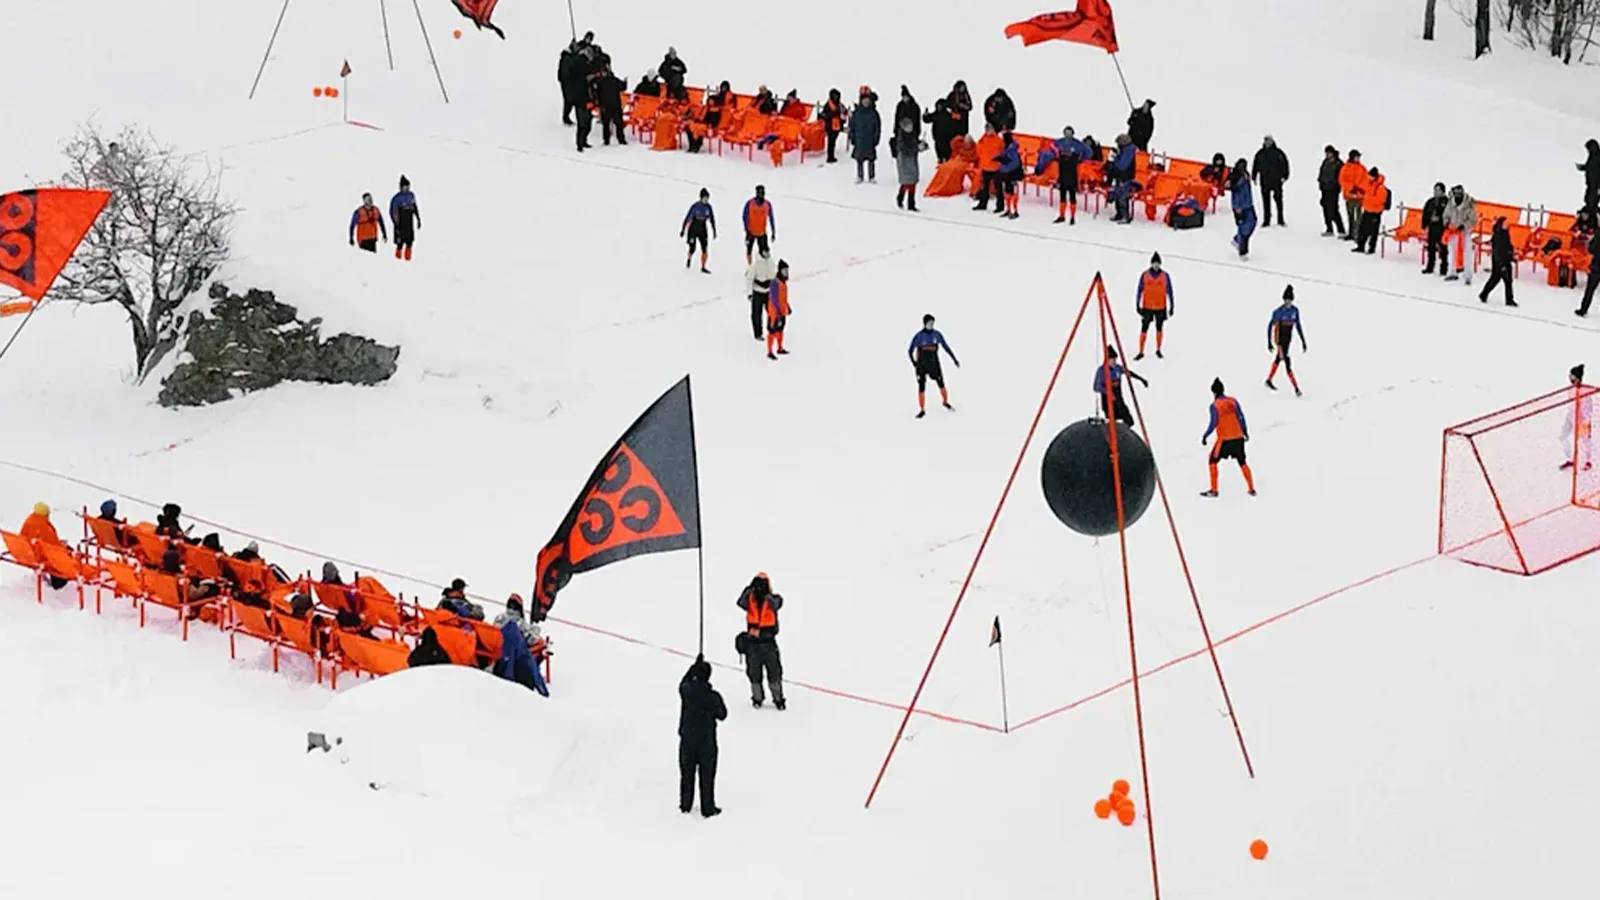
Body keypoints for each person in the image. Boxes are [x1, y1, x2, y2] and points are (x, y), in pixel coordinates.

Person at [678, 654, 726, 817]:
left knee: (687, 774)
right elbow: (722, 714)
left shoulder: (687, 691)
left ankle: (685, 805)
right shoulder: (712, 696)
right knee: (707, 776)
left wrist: (693, 667)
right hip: (706, 742)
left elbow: (683, 682)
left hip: (687, 739)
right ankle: (708, 807)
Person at [736, 573, 785, 710]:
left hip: (769, 643)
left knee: (774, 673)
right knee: (754, 673)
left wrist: (766, 594)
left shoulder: (773, 600)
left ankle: (778, 699)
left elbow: (777, 603)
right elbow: (740, 602)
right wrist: (749, 589)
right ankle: (757, 698)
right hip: (752, 644)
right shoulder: (749, 598)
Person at [1201, 378, 1256, 498]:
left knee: (1212, 460)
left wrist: (1205, 435)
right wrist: (1245, 431)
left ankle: (1214, 490)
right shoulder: (1233, 401)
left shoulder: (1214, 406)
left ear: (1213, 392)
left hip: (1224, 440)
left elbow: (1213, 423)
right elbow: (1241, 416)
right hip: (1238, 437)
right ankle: (1251, 488)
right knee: (1242, 462)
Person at [494, 595, 549, 696]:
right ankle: (542, 689)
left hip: (497, 652)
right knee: (529, 659)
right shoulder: (519, 622)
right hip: (514, 655)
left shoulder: (499, 618)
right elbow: (530, 639)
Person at [909, 313, 960, 418]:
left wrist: (954, 359)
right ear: (924, 323)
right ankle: (922, 409)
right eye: (929, 323)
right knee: (921, 386)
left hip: (934, 364)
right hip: (922, 365)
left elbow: (946, 347)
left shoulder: (937, 334)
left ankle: (945, 402)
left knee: (941, 383)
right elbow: (910, 351)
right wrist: (914, 363)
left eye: (933, 323)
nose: (931, 325)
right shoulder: (919, 336)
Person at [1092, 345, 1148, 427]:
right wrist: (1108, 392)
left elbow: (1128, 372)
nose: (1114, 361)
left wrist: (1141, 379)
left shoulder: (1117, 368)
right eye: (1112, 359)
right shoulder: (1102, 371)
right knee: (1112, 421)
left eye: (1115, 359)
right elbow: (1096, 387)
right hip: (1108, 400)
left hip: (1118, 399)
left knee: (1128, 419)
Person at [1266, 285, 1307, 396]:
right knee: (1287, 363)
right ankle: (1296, 388)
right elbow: (1270, 326)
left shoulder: (1295, 311)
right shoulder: (1278, 312)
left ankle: (1268, 380)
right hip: (1280, 341)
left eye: (1289, 300)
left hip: (1288, 341)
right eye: (1285, 300)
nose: (1287, 302)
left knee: (1278, 360)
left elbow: (1298, 325)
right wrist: (1269, 342)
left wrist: (1303, 341)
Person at [1134, 253, 1174, 360]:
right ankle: (1141, 351)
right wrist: (1137, 304)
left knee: (1159, 328)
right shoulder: (1145, 275)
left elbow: (1170, 292)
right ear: (1151, 264)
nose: (1156, 265)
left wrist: (1172, 306)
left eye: (1158, 263)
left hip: (1160, 307)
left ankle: (1158, 350)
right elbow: (1139, 290)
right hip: (1147, 307)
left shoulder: (1165, 276)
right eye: (1154, 263)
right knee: (1144, 328)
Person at [20, 503, 69, 590]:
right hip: (42, 556)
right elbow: (54, 545)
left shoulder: (29, 521)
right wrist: (64, 547)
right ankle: (59, 585)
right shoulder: (44, 526)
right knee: (62, 558)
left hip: (30, 554)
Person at [1051, 127, 1090, 225]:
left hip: (1072, 173)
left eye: (1070, 133)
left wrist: (1080, 160)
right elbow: (1052, 146)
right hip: (1062, 172)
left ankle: (1072, 217)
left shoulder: (1078, 144)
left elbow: (1088, 152)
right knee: (1062, 195)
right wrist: (1057, 154)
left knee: (1072, 196)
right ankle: (1062, 215)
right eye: (1066, 133)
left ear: (1073, 133)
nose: (1068, 135)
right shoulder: (1059, 142)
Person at [1477, 217, 1518, 307]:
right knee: (1504, 280)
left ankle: (1484, 294)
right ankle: (1508, 299)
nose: (1507, 225)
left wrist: (1511, 256)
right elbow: (1498, 251)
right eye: (1505, 223)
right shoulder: (1498, 236)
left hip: (1505, 260)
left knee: (1497, 279)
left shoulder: (1505, 234)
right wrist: (1501, 264)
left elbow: (1508, 246)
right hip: (1500, 262)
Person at [1443, 184, 1479, 284]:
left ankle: (1467, 275)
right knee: (1452, 253)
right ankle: (1452, 272)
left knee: (1467, 254)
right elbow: (1446, 215)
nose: (1458, 195)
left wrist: (1464, 226)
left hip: (1464, 234)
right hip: (1452, 231)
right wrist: (1446, 223)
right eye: (1456, 193)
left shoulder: (1469, 204)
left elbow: (1474, 220)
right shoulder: (1451, 203)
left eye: (1460, 193)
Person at [1252, 135, 1289, 227]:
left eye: (1269, 141)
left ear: (1272, 141)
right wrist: (1254, 176)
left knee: (1279, 201)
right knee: (1266, 201)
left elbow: (1285, 165)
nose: (1267, 142)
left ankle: (1280, 220)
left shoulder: (1279, 153)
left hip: (1277, 181)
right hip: (1264, 181)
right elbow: (1255, 166)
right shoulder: (1260, 153)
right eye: (1266, 141)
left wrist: (1285, 176)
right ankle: (1266, 220)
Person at [1561, 364, 1592, 470]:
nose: (1570, 379)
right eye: (1570, 376)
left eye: (1573, 377)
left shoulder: (1585, 392)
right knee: (1566, 437)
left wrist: (1586, 422)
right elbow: (1571, 406)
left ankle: (1587, 461)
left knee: (1584, 440)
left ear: (1578, 378)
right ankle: (1572, 459)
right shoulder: (1570, 390)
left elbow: (1588, 409)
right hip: (1572, 418)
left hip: (1582, 421)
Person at [849, 88, 882, 185]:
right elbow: (852, 126)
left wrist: (876, 139)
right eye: (864, 100)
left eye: (867, 101)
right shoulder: (856, 113)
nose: (866, 102)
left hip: (870, 140)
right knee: (859, 159)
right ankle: (860, 176)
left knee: (871, 159)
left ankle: (872, 176)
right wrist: (852, 137)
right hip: (859, 139)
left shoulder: (874, 113)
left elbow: (877, 127)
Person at [744, 246, 777, 341]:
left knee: (772, 312)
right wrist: (750, 293)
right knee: (757, 314)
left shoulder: (771, 262)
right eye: (765, 252)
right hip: (757, 292)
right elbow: (749, 279)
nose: (767, 254)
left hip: (768, 292)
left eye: (768, 252)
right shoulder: (755, 265)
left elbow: (774, 275)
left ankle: (772, 329)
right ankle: (758, 333)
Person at [1352, 166, 1388, 255]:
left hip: (1375, 212)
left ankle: (1371, 248)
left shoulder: (1381, 188)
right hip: (1367, 210)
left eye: (1370, 176)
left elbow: (1380, 200)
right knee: (1363, 229)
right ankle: (1361, 246)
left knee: (1373, 231)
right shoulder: (1369, 184)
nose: (1368, 177)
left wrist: (1367, 198)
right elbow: (1365, 193)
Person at [890, 118, 923, 212]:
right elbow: (905, 149)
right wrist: (917, 148)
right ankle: (905, 200)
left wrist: (921, 146)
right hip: (904, 162)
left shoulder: (913, 135)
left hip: (912, 161)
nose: (910, 128)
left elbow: (915, 145)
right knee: (907, 182)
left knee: (912, 182)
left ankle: (908, 202)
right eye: (908, 126)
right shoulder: (901, 138)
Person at [681, 188, 716, 273]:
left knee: (705, 249)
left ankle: (703, 266)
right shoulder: (695, 206)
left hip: (703, 230)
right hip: (693, 229)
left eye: (707, 198)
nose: (706, 200)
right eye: (704, 198)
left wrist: (714, 230)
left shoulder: (708, 207)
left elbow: (712, 219)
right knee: (692, 248)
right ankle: (689, 258)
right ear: (701, 198)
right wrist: (683, 230)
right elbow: (687, 218)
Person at [593, 63, 628, 146]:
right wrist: (625, 82)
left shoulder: (600, 82)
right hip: (614, 105)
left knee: (608, 124)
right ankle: (620, 140)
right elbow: (623, 87)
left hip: (607, 106)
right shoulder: (613, 80)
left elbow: (596, 93)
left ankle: (608, 140)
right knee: (617, 124)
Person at [973, 124, 1005, 213]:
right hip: (986, 167)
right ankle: (983, 204)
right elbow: (979, 152)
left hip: (996, 168)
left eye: (990, 129)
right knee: (984, 188)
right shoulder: (982, 140)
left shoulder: (999, 141)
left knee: (998, 188)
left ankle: (1000, 206)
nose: (989, 131)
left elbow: (1002, 152)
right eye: (987, 129)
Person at [1421, 182, 1450, 277]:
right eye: (1435, 190)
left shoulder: (1447, 202)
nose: (1436, 192)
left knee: (1443, 249)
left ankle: (1444, 269)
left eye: (1438, 190)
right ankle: (1430, 267)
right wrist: (1425, 225)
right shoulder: (1430, 201)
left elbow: (1449, 215)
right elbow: (1425, 213)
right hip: (1432, 227)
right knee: (1431, 247)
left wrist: (1440, 219)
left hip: (1442, 228)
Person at [1338, 150, 1368, 243]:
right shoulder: (1345, 168)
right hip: (1349, 196)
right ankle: (1351, 233)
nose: (1358, 158)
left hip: (1359, 196)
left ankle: (1358, 233)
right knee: (1350, 215)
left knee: (1359, 216)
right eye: (1356, 157)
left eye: (1358, 157)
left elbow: (1366, 180)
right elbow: (1342, 180)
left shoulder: (1362, 168)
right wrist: (1351, 188)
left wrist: (1360, 188)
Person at [389, 176, 421, 261]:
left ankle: (408, 259)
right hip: (401, 222)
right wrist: (396, 223)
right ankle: (397, 259)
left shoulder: (411, 195)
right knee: (400, 243)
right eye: (405, 186)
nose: (407, 188)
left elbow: (415, 207)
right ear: (401, 187)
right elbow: (393, 211)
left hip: (409, 222)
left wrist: (418, 218)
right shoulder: (397, 198)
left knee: (410, 241)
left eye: (408, 186)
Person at [1229, 159, 1256, 258]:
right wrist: (1237, 207)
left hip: (1248, 204)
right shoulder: (1235, 177)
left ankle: (1237, 240)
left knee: (1252, 223)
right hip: (1240, 207)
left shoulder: (1245, 175)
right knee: (1243, 228)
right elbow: (1235, 193)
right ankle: (1243, 251)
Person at [765, 260, 791, 360]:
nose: (786, 273)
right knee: (772, 331)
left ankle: (780, 348)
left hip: (782, 311)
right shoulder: (774, 282)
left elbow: (783, 297)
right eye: (784, 271)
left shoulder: (783, 282)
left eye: (787, 270)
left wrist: (787, 307)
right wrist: (777, 311)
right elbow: (773, 298)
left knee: (780, 329)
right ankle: (769, 351)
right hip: (774, 313)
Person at [1317, 145, 1346, 237]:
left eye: (1329, 153)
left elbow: (1342, 177)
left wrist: (1335, 184)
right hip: (1324, 189)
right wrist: (1320, 182)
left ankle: (1341, 229)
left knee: (1333, 210)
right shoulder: (1325, 162)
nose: (1328, 155)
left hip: (1333, 190)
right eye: (1326, 153)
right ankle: (1329, 228)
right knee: (1325, 208)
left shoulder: (1338, 164)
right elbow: (1321, 173)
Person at [742, 186, 775, 262]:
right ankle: (749, 265)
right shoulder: (750, 203)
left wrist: (773, 232)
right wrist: (747, 229)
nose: (761, 195)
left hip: (762, 233)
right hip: (751, 232)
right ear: (756, 193)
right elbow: (744, 217)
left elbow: (771, 218)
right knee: (749, 251)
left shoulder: (767, 204)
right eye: (759, 193)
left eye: (762, 193)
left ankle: (766, 265)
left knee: (764, 252)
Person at [995, 132, 1023, 219]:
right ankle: (1008, 210)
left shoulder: (1012, 149)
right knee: (1007, 191)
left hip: (1013, 173)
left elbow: (1015, 163)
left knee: (1012, 192)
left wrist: (1004, 164)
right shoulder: (1007, 147)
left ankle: (1015, 211)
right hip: (1007, 173)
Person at [819, 89, 847, 164]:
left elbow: (844, 112)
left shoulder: (840, 105)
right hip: (830, 126)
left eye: (837, 95)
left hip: (837, 126)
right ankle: (830, 157)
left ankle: (831, 155)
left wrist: (843, 115)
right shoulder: (828, 105)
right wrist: (833, 114)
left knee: (833, 141)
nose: (836, 97)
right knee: (831, 142)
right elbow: (824, 115)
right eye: (834, 95)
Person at [924, 99, 957, 163]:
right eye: (937, 106)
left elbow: (955, 123)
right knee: (939, 154)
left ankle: (945, 163)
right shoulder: (936, 114)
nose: (938, 107)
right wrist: (925, 115)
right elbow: (927, 119)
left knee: (946, 155)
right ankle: (941, 163)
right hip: (937, 138)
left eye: (940, 106)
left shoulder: (948, 115)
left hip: (947, 139)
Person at [1578, 226, 1600, 317]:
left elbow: (1592, 249)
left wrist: (1590, 243)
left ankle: (1583, 309)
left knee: (1590, 289)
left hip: (1597, 266)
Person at [1579, 139, 1600, 212]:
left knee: (1592, 195)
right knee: (1589, 195)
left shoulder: (1597, 156)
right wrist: (1583, 167)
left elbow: (1593, 167)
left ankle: (1591, 207)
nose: (1588, 151)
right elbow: (1590, 166)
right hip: (1591, 180)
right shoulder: (1591, 157)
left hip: (1595, 181)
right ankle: (1590, 207)